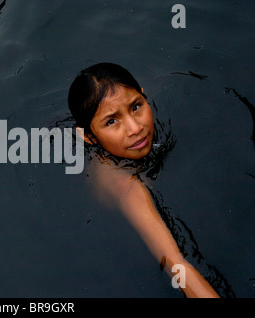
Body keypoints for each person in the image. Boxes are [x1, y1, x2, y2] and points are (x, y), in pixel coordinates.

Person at [68, 62, 220, 298]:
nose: (135, 127)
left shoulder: (130, 126)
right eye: (111, 121)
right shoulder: (123, 183)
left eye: (136, 106)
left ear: (143, 94)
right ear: (89, 137)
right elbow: (175, 263)